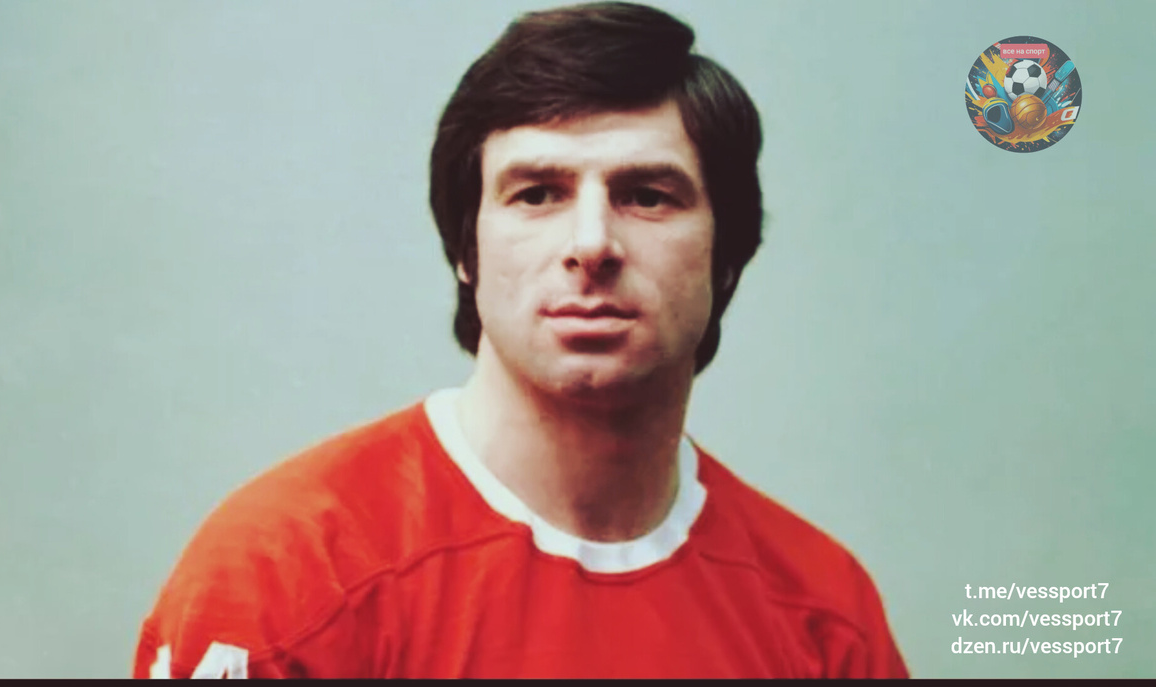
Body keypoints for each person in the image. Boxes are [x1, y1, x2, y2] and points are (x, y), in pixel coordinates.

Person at [133, 1, 909, 678]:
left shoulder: (825, 614)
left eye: (647, 195)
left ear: (726, 252)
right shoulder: (287, 574)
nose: (592, 242)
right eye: (537, 193)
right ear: (466, 251)